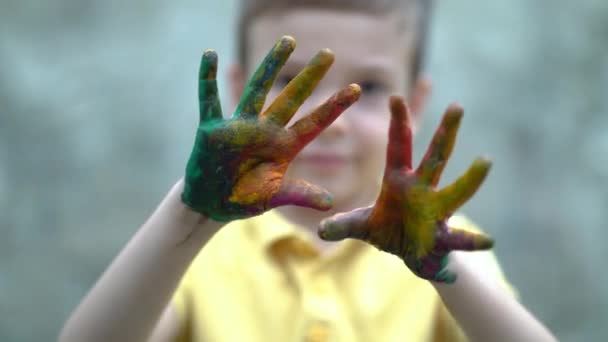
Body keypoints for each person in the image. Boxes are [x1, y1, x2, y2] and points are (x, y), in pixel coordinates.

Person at [60, 1, 557, 341]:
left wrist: (446, 273)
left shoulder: (445, 245)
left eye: (369, 87)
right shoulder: (196, 251)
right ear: (240, 91)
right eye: (291, 79)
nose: (331, 122)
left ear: (418, 101)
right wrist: (187, 215)